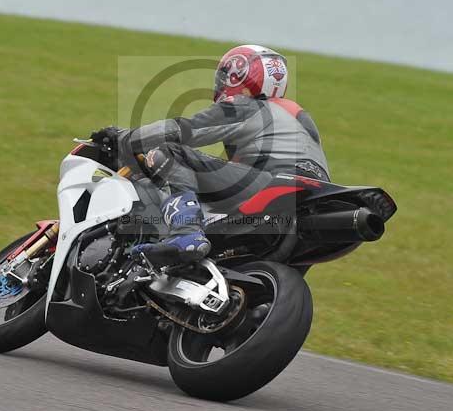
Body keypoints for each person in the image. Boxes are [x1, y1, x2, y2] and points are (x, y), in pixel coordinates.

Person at [91, 45, 329, 267]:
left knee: (167, 152)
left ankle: (186, 234)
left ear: (237, 76)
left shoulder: (245, 106)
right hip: (315, 200)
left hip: (275, 184)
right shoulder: (297, 116)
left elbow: (183, 130)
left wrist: (124, 138)